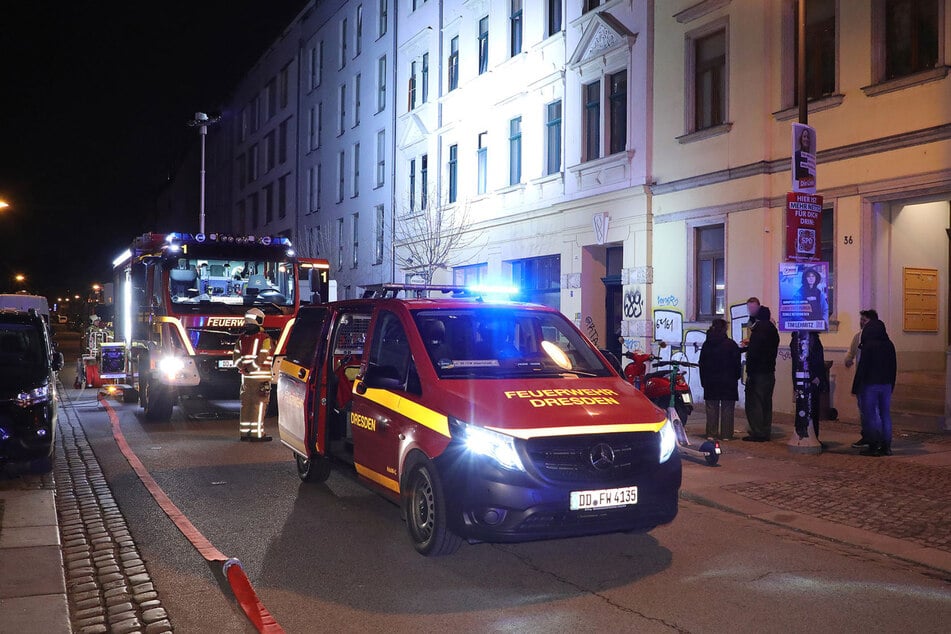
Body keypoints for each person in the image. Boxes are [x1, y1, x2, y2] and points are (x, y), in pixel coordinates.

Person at [853, 317, 897, 456]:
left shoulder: (869, 345)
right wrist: (892, 384)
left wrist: (856, 386)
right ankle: (886, 446)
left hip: (870, 385)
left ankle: (874, 445)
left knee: (871, 415)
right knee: (885, 415)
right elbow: (893, 366)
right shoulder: (889, 344)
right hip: (886, 385)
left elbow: (862, 368)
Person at [233, 307, 274, 441]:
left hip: (246, 379)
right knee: (259, 405)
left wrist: (244, 368)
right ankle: (257, 434)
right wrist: (252, 368)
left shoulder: (241, 339)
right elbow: (263, 356)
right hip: (260, 377)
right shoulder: (265, 338)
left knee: (246, 405)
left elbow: (236, 358)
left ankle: (245, 433)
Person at [699, 318, 742, 440]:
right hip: (728, 381)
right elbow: (737, 363)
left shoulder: (707, 344)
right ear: (725, 329)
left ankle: (711, 434)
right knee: (727, 408)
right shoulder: (731, 344)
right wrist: (736, 376)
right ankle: (726, 434)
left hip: (711, 381)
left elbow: (702, 363)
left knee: (712, 408)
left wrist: (704, 381)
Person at [741, 305, 779, 441]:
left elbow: (755, 352)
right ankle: (765, 430)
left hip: (757, 372)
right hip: (769, 370)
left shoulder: (758, 331)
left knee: (754, 402)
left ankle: (758, 432)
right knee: (766, 403)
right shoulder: (773, 331)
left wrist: (748, 348)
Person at [845, 309, 878, 448]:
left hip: (873, 380)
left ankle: (875, 437)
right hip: (861, 378)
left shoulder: (878, 337)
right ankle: (867, 436)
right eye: (861, 320)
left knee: (872, 410)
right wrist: (848, 359)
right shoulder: (858, 337)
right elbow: (852, 351)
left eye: (865, 320)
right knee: (863, 410)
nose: (861, 322)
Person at [790, 331, 829, 441]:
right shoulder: (805, 337)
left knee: (811, 408)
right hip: (810, 380)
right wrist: (814, 377)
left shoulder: (809, 337)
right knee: (809, 408)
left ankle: (811, 435)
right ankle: (808, 435)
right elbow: (805, 360)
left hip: (809, 379)